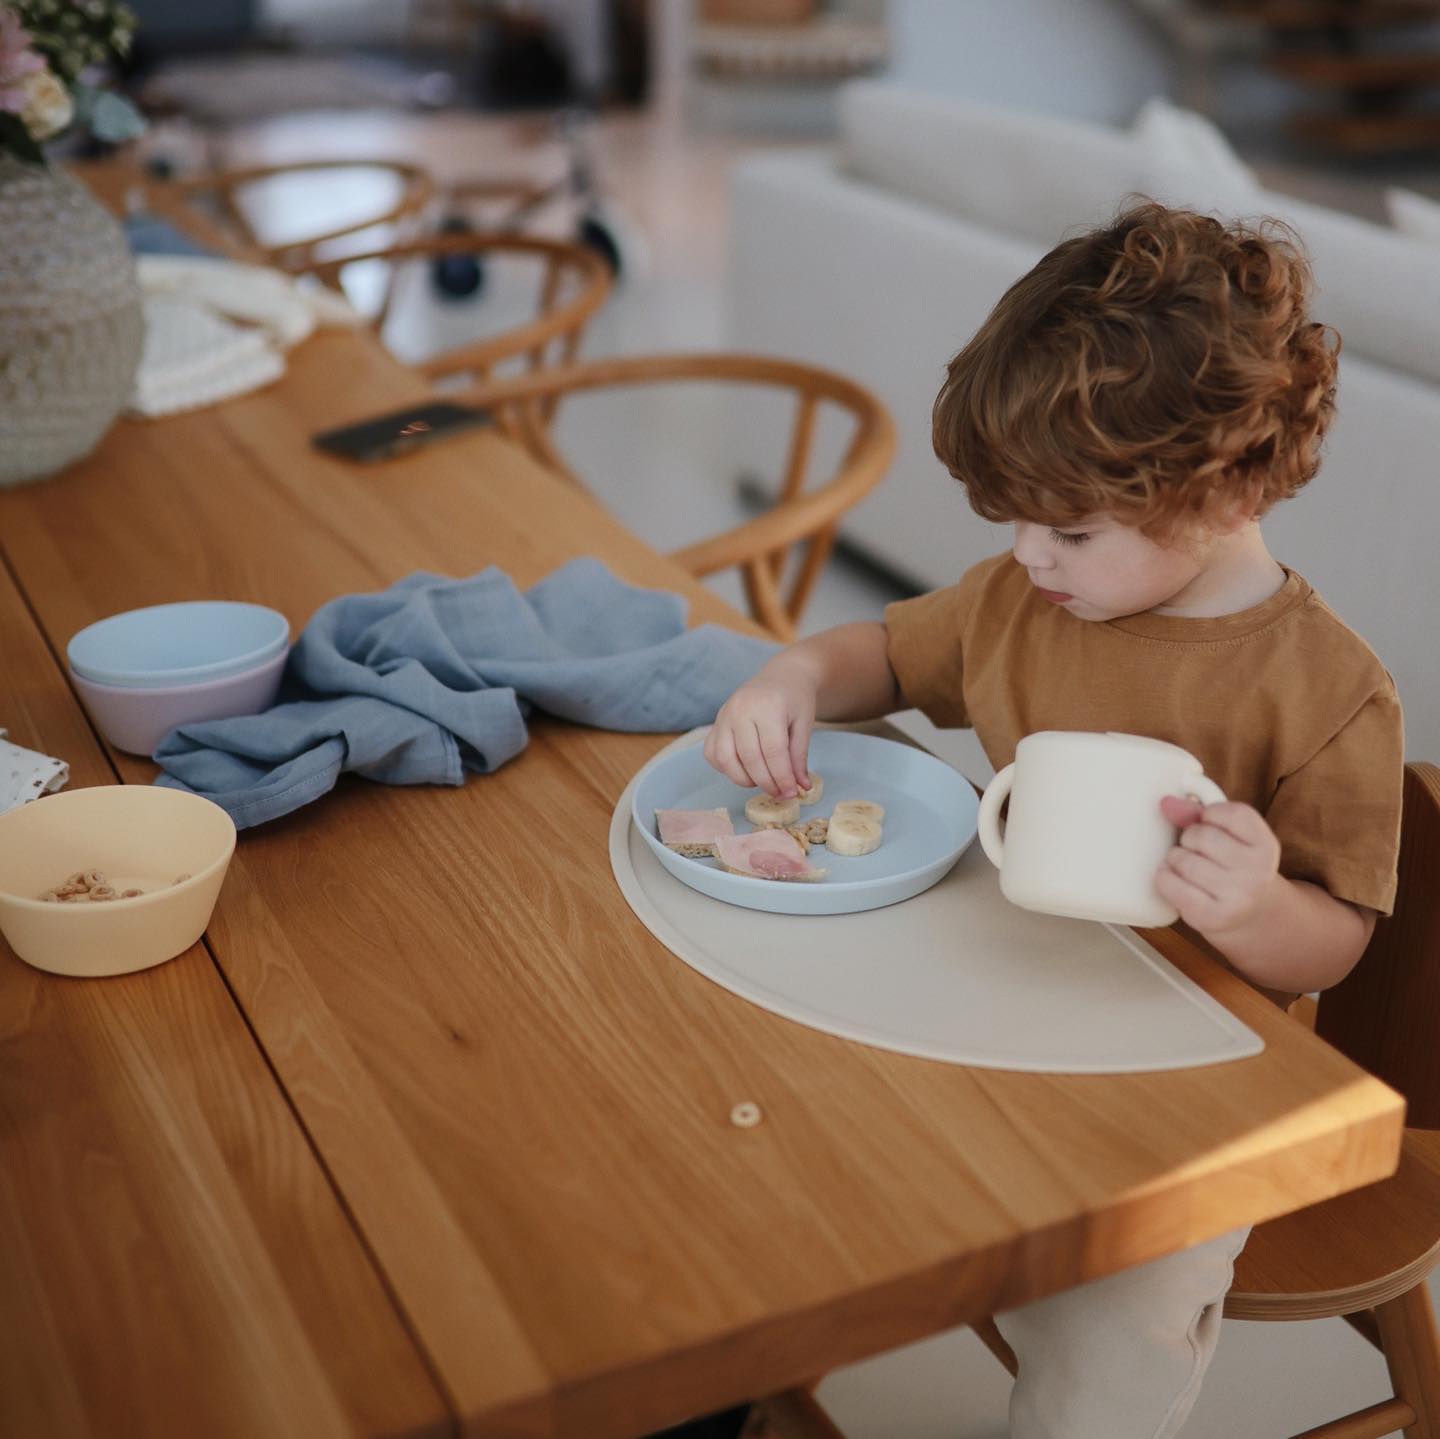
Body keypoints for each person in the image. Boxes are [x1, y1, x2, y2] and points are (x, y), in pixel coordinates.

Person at [703, 202, 1404, 1439]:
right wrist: (795, 677)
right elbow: (882, 647)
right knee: (754, 1121)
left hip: (1187, 1078)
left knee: (1108, 1316)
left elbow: (1339, 942)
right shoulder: (1034, 595)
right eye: (1014, 521)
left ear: (1226, 487)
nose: (1028, 556)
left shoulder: (1327, 690)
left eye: (1067, 528)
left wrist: (1258, 906)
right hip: (999, 991)